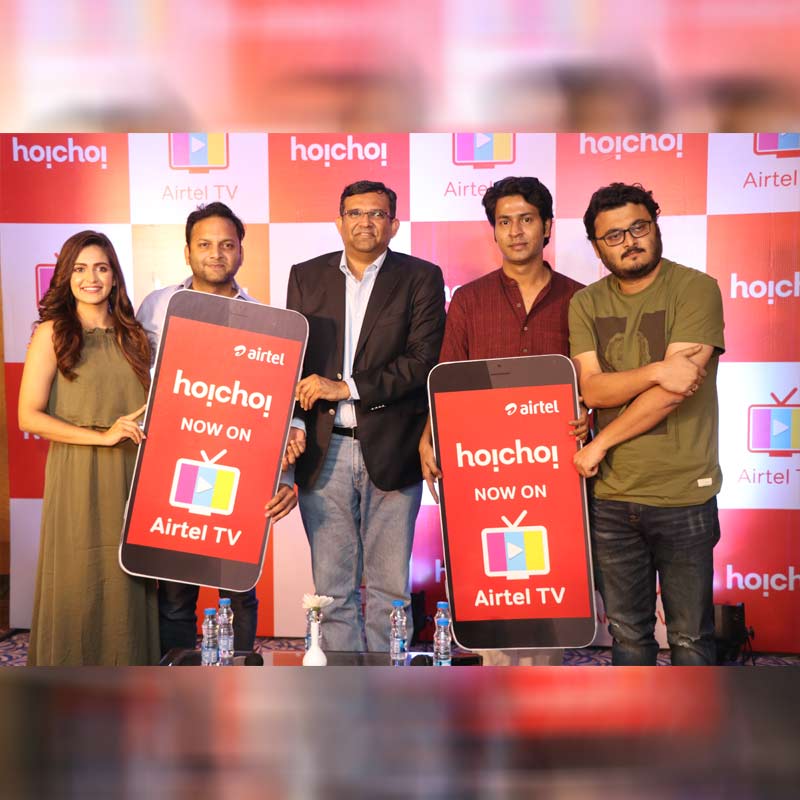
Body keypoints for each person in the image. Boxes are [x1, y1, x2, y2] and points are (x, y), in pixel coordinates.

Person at [418, 175, 587, 666]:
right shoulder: (469, 300)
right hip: (484, 469)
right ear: (493, 230)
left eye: (526, 220)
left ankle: (543, 703)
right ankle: (491, 699)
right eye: (505, 222)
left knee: (548, 587)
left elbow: (593, 381)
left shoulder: (581, 299)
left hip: (555, 470)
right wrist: (428, 438)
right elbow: (446, 376)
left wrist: (589, 416)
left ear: (547, 226)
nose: (516, 231)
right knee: (491, 587)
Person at [284, 179, 445, 652]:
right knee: (331, 592)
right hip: (323, 450)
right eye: (355, 213)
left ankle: (388, 686)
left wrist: (347, 387)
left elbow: (422, 362)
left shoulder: (420, 277)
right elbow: (295, 359)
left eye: (377, 214)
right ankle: (341, 688)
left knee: (390, 591)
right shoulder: (305, 276)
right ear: (339, 222)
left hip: (394, 449)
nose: (365, 222)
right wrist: (296, 422)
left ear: (394, 224)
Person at [569, 182, 724, 666]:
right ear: (597, 246)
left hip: (684, 493)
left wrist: (600, 444)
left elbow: (675, 393)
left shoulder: (696, 288)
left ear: (655, 227)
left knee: (690, 639)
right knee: (628, 638)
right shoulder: (585, 303)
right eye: (613, 236)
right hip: (613, 499)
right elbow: (594, 391)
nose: (629, 241)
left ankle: (694, 721)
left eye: (638, 227)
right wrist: (658, 369)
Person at [136, 202, 297, 657]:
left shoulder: (264, 319)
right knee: (174, 598)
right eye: (204, 244)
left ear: (241, 252)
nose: (216, 254)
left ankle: (239, 683)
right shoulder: (156, 307)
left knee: (239, 595)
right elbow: (135, 380)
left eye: (227, 245)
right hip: (171, 469)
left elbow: (279, 405)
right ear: (187, 251)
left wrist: (285, 477)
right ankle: (177, 686)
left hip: (239, 473)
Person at [18, 230, 159, 665]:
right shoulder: (53, 333)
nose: (91, 278)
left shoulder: (135, 335)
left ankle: (131, 687)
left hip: (132, 474)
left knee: (128, 583)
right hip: (78, 472)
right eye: (80, 269)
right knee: (78, 583)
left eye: (101, 268)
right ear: (66, 276)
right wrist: (101, 436)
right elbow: (28, 416)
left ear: (115, 276)